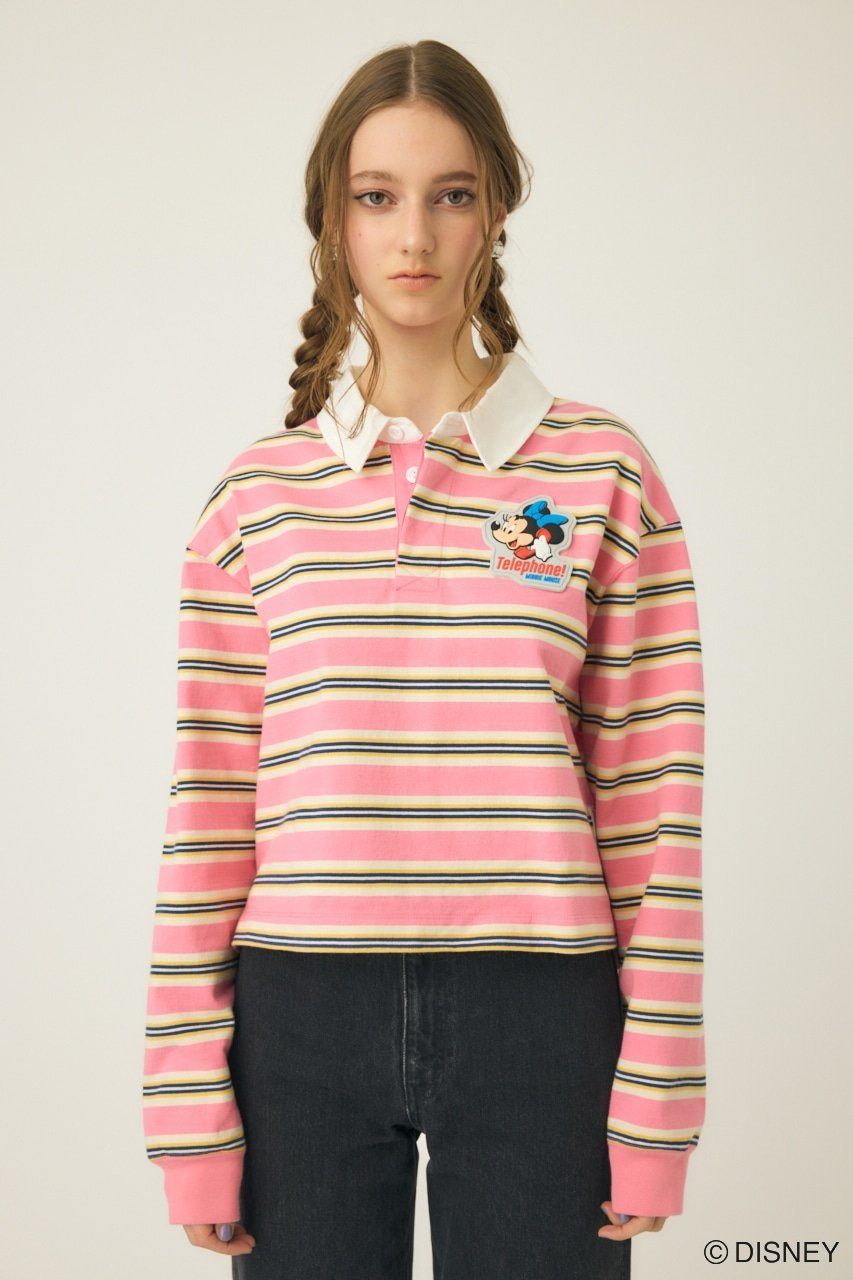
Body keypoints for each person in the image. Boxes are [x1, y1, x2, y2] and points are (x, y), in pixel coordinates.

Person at [142, 38, 706, 1279]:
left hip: (544, 1014)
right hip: (297, 1021)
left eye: (450, 194)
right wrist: (188, 1110)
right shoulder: (255, 498)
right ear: (332, 221)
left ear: (496, 208)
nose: (414, 236)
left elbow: (653, 804)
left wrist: (658, 1098)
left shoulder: (602, 472)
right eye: (376, 196)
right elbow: (208, 812)